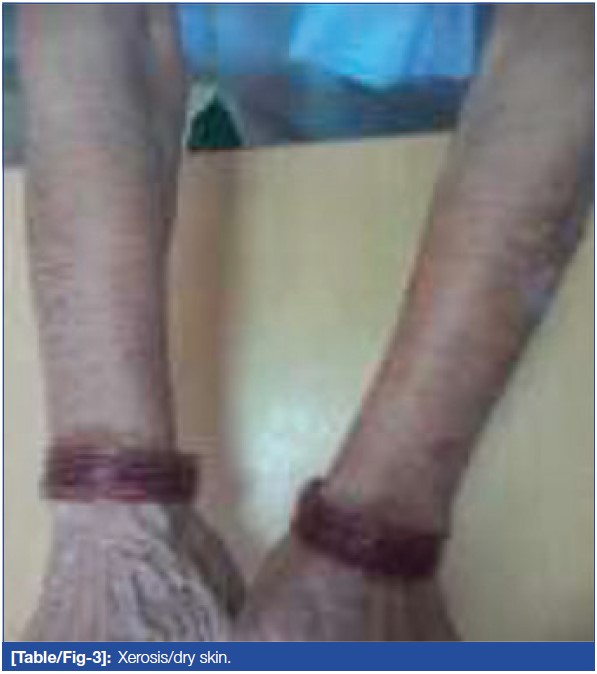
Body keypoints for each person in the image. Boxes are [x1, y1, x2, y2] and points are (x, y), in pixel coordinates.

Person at [18, 4, 593, 641]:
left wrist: (380, 525)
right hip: (279, 133)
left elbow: (569, 36)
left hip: (501, 135)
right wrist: (113, 515)